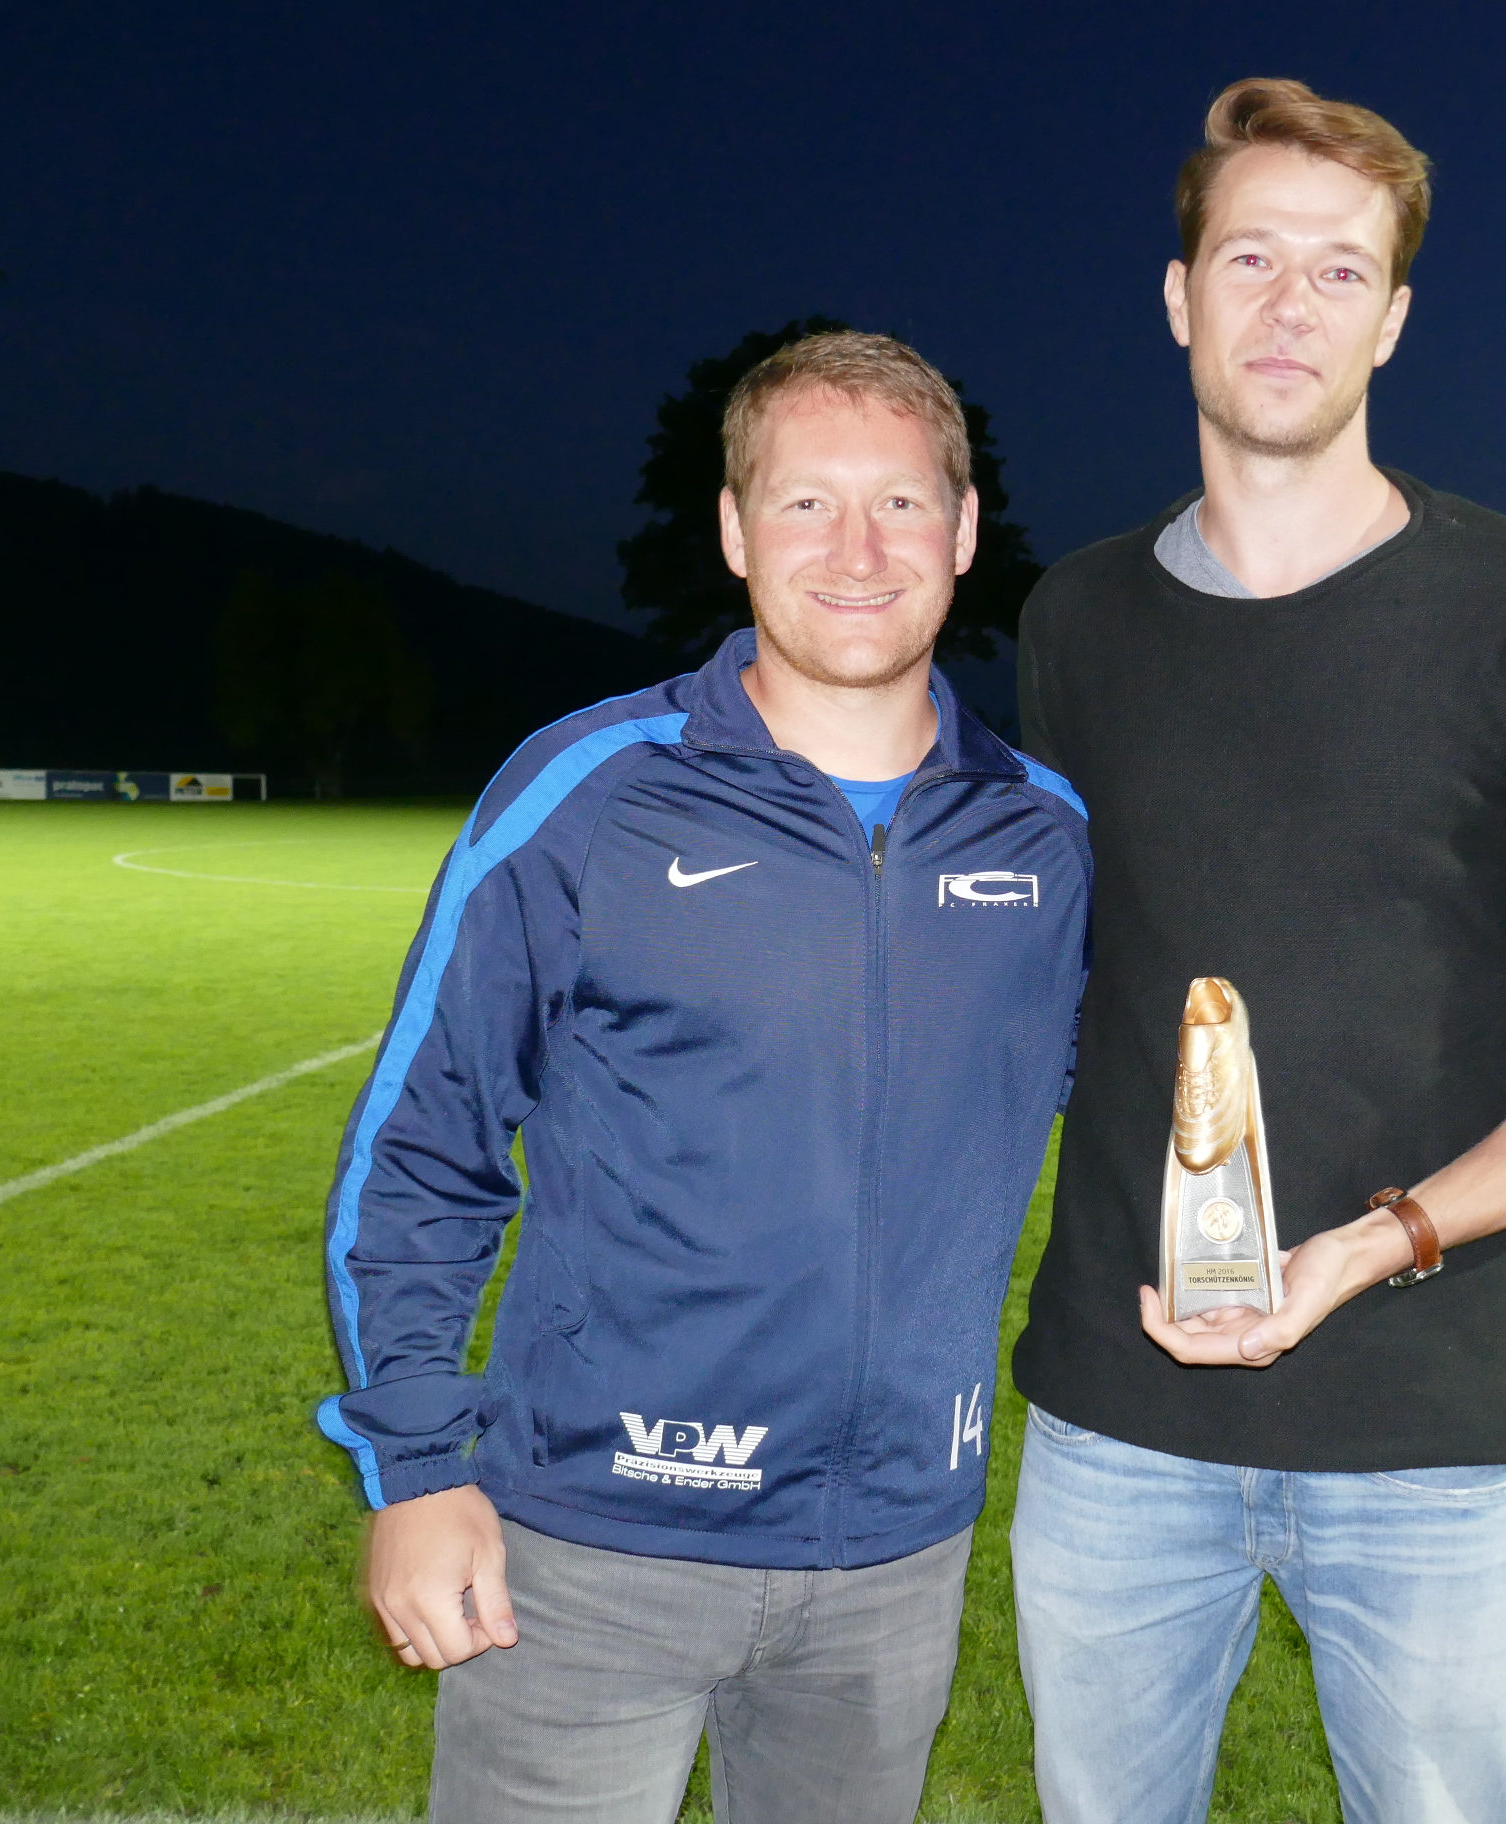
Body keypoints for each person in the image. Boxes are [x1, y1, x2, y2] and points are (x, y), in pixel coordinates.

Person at [1007, 78, 1506, 1823]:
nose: (1291, 304)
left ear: (1394, 319)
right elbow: (1065, 978)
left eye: (1339, 271)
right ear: (1179, 295)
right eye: (1250, 258)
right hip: (1119, 1419)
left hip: (1432, 1436)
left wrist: (1378, 1241)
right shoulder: (1078, 620)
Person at [315, 330, 1091, 1824]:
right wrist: (417, 1470)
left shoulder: (1045, 836)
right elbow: (421, 1144)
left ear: (964, 531)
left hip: (894, 1562)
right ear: (736, 531)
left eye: (901, 503)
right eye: (806, 503)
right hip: (586, 1552)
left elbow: (1159, 1110)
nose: (857, 550)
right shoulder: (589, 792)